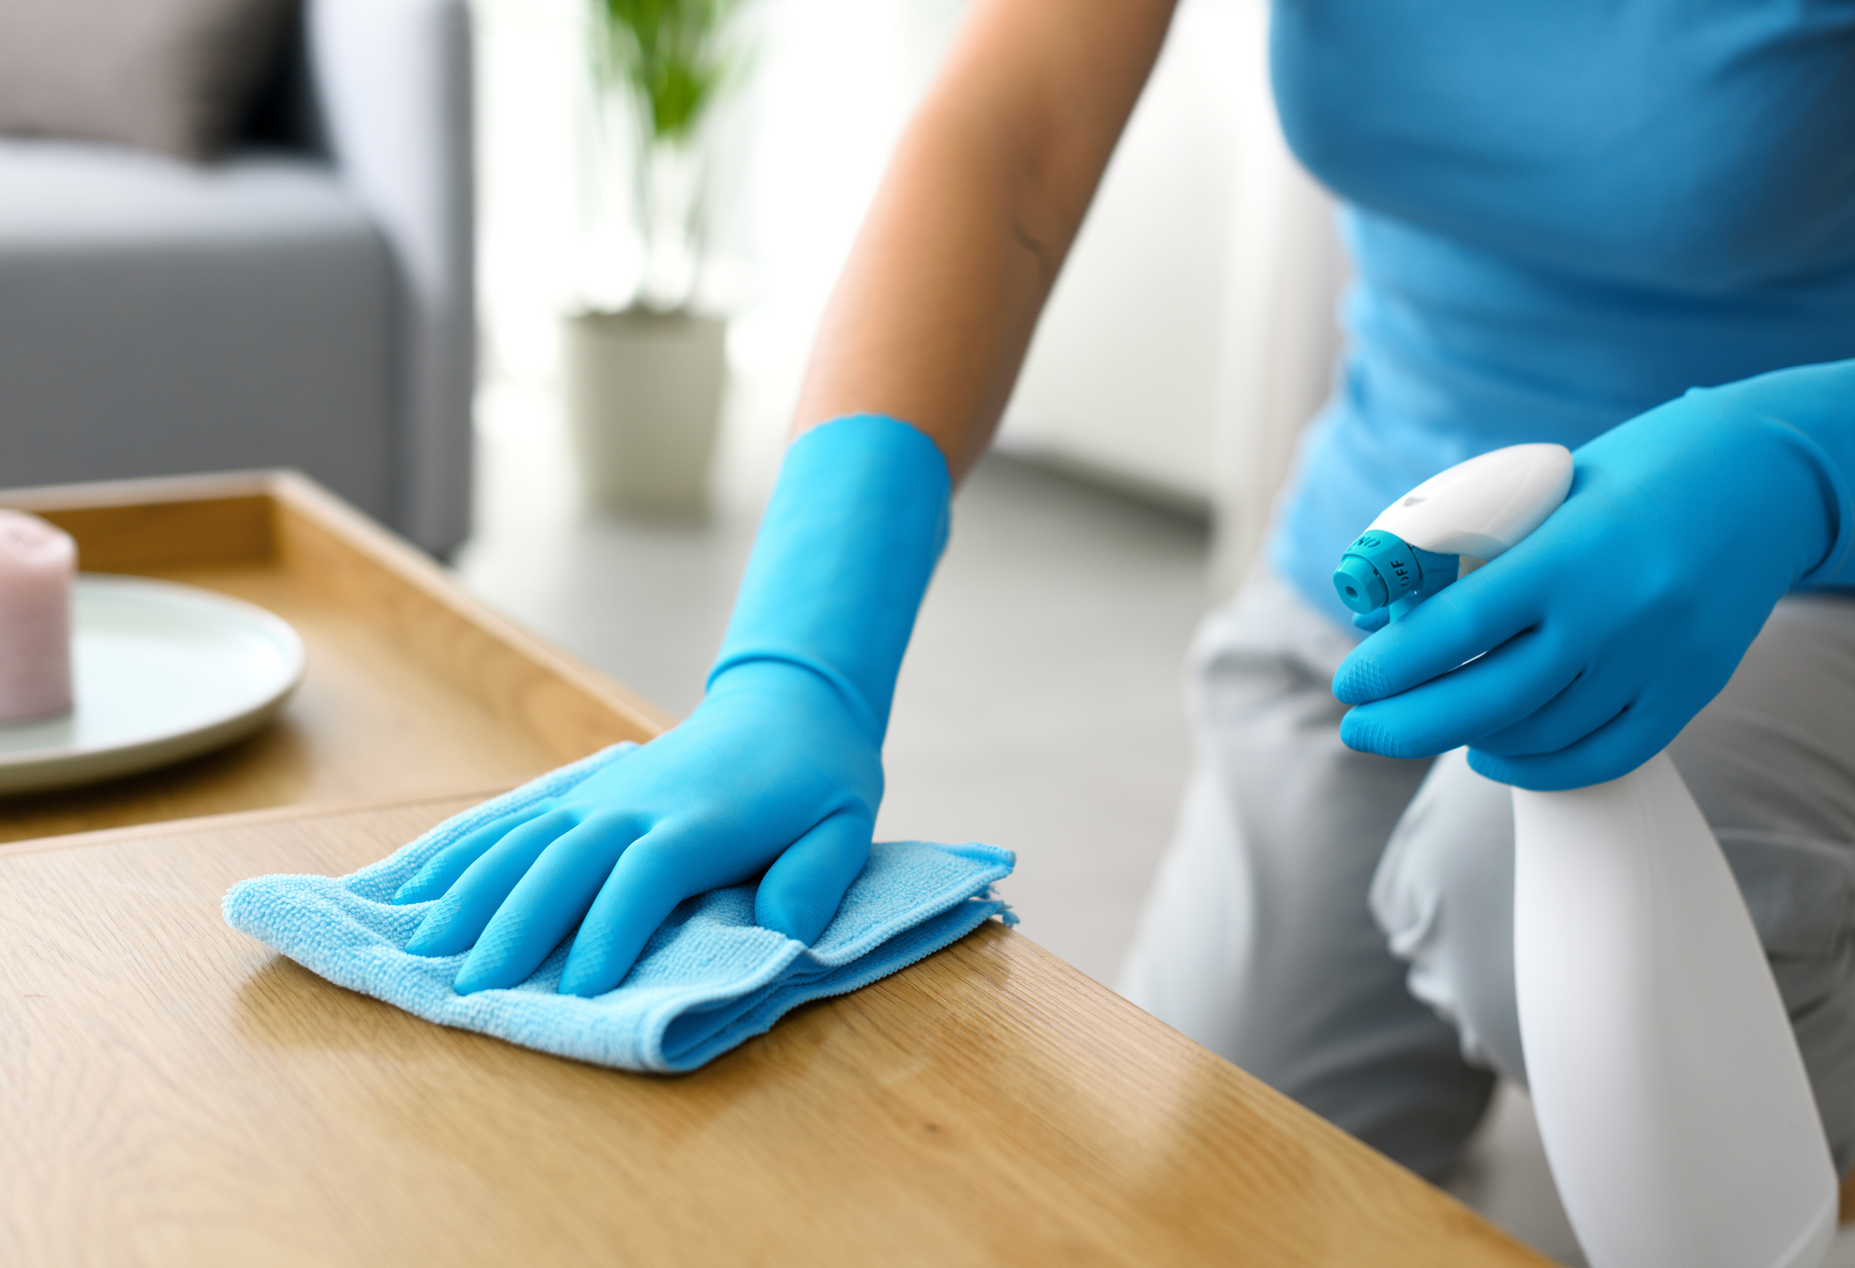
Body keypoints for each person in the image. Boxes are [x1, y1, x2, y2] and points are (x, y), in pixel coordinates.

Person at [396, 0, 1855, 1180]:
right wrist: (796, 660)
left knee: (1518, 882)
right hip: (1386, 582)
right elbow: (1010, 136)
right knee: (1180, 1188)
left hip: (1809, 578)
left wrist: (1802, 463)